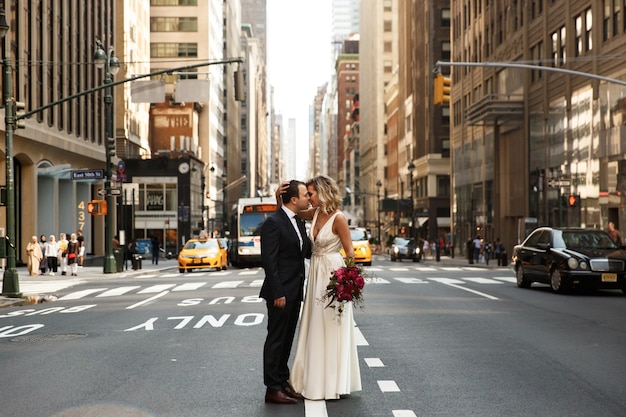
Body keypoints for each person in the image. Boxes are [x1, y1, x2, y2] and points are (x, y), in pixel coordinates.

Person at [288, 175, 362, 400]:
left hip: (333, 272)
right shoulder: (315, 213)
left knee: (331, 325)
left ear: (323, 192)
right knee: (314, 322)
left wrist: (348, 281)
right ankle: (314, 379)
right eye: (307, 194)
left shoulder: (339, 218)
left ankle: (332, 383)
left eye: (311, 193)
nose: (308, 198)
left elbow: (350, 252)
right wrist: (277, 200)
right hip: (316, 271)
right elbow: (292, 212)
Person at [259, 180, 312, 405]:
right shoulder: (274, 222)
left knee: (287, 338)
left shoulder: (297, 222)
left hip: (295, 290)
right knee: (276, 339)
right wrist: (277, 292)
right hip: (280, 293)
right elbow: (269, 262)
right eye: (305, 195)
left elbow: (307, 252)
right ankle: (272, 389)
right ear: (293, 199)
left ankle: (282, 382)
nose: (308, 198)